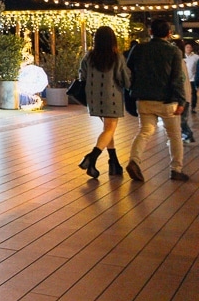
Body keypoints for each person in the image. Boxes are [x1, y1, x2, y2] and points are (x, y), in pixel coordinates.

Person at [126, 19, 190, 182]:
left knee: (145, 131)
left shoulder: (138, 49)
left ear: (150, 32)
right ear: (169, 34)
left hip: (143, 99)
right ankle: (176, 169)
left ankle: (134, 160)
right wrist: (182, 101)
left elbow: (130, 69)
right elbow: (177, 78)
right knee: (174, 135)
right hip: (167, 101)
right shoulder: (174, 51)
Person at [77, 25, 131, 178]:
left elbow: (82, 76)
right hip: (111, 98)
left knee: (108, 130)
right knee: (109, 129)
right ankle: (91, 157)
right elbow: (125, 80)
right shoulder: (116, 57)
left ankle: (114, 163)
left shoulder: (89, 57)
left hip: (94, 99)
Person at [182, 41, 197, 143]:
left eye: (189, 47)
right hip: (184, 84)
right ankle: (186, 134)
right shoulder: (182, 58)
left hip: (191, 80)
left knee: (181, 117)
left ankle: (187, 134)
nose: (188, 48)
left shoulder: (196, 57)